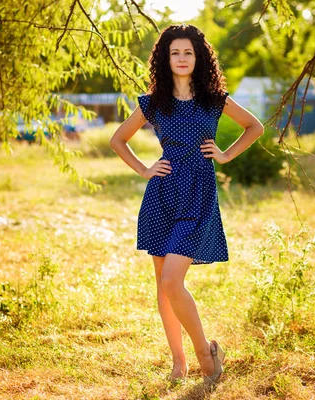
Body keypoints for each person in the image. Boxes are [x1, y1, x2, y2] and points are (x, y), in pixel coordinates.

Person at [110, 24, 264, 387]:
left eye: (188, 53)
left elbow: (254, 127)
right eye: (175, 52)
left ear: (199, 58)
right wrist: (145, 169)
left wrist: (225, 155)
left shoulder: (214, 99)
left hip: (198, 193)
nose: (181, 58)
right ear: (166, 58)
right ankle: (179, 364)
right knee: (162, 286)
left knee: (172, 280)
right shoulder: (152, 102)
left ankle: (206, 356)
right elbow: (119, 140)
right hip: (161, 195)